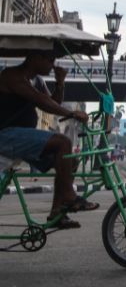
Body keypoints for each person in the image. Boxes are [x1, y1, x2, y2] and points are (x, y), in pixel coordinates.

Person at [0, 51, 96, 229]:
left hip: (21, 137)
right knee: (63, 142)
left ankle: (57, 213)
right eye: (50, 59)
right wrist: (71, 113)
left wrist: (60, 83)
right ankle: (68, 195)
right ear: (35, 57)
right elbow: (41, 100)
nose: (53, 64)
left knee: (70, 160)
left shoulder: (38, 81)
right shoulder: (12, 75)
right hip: (5, 135)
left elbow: (53, 103)